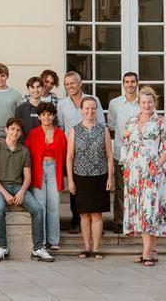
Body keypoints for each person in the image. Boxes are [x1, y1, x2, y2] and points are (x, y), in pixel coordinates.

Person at [0, 119, 54, 262]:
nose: (14, 132)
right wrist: (5, 193)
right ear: (6, 130)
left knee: (38, 209)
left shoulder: (24, 151)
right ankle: (2, 247)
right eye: (12, 129)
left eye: (18, 130)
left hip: (18, 187)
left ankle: (38, 248)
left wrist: (22, 191)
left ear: (21, 133)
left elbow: (28, 176)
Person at [122, 86, 166, 267]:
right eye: (143, 102)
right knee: (142, 210)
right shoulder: (131, 121)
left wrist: (156, 166)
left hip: (152, 172)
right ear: (139, 103)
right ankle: (153, 250)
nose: (147, 105)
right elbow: (125, 144)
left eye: (150, 102)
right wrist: (126, 165)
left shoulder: (160, 122)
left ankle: (146, 253)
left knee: (150, 210)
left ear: (154, 102)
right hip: (134, 172)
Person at [56, 71, 105, 234]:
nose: (70, 86)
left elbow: (101, 124)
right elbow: (61, 129)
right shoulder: (62, 104)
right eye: (67, 84)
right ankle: (76, 218)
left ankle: (96, 221)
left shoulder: (93, 100)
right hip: (74, 149)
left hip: (94, 148)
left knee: (95, 186)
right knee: (75, 185)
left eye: (73, 83)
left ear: (80, 83)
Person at [67, 97, 113, 259]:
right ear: (81, 110)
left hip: (100, 176)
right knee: (84, 214)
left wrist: (110, 178)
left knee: (97, 215)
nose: (90, 111)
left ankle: (96, 248)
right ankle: (86, 247)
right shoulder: (74, 130)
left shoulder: (103, 130)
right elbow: (69, 157)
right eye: (86, 108)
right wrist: (71, 180)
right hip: (81, 176)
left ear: (96, 110)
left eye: (93, 108)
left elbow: (109, 156)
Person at [25, 102, 66, 251]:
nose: (46, 117)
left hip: (54, 169)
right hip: (38, 170)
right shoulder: (33, 133)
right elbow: (27, 155)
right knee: (40, 206)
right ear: (39, 116)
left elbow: (65, 155)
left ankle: (53, 240)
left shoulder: (60, 134)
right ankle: (40, 241)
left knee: (54, 205)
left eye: (49, 114)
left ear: (53, 115)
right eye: (43, 114)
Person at [107, 72, 140, 233]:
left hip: (139, 155)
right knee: (121, 189)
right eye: (127, 82)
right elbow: (112, 126)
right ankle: (119, 223)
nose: (130, 85)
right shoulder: (115, 104)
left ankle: (135, 222)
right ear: (123, 84)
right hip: (121, 153)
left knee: (137, 189)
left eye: (133, 81)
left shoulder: (143, 103)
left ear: (137, 83)